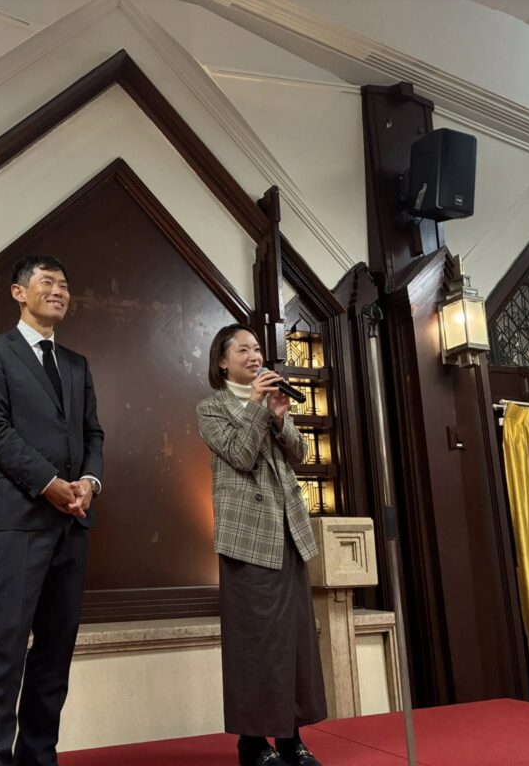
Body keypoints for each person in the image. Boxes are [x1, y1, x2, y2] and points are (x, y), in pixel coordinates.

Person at [0, 255, 104, 766]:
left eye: (64, 284)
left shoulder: (77, 364)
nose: (59, 291)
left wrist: (89, 482)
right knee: (3, 652)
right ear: (19, 292)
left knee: (55, 653)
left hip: (72, 525)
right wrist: (48, 484)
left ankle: (39, 757)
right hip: (17, 525)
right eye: (47, 282)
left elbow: (92, 433)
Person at [196, 324, 327, 766]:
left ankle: (291, 738)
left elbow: (300, 454)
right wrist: (256, 406)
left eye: (257, 349)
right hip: (247, 538)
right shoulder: (210, 408)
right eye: (243, 350)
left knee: (294, 639)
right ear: (222, 361)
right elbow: (240, 454)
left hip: (288, 530)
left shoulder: (272, 399)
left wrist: (280, 417)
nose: (254, 356)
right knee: (254, 642)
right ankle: (252, 743)